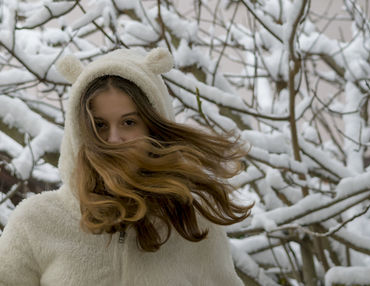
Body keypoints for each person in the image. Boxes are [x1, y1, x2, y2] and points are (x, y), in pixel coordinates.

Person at [0, 47, 252, 285]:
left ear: (154, 127)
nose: (113, 139)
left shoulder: (193, 224)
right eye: (99, 125)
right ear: (79, 131)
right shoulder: (35, 221)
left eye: (129, 123)